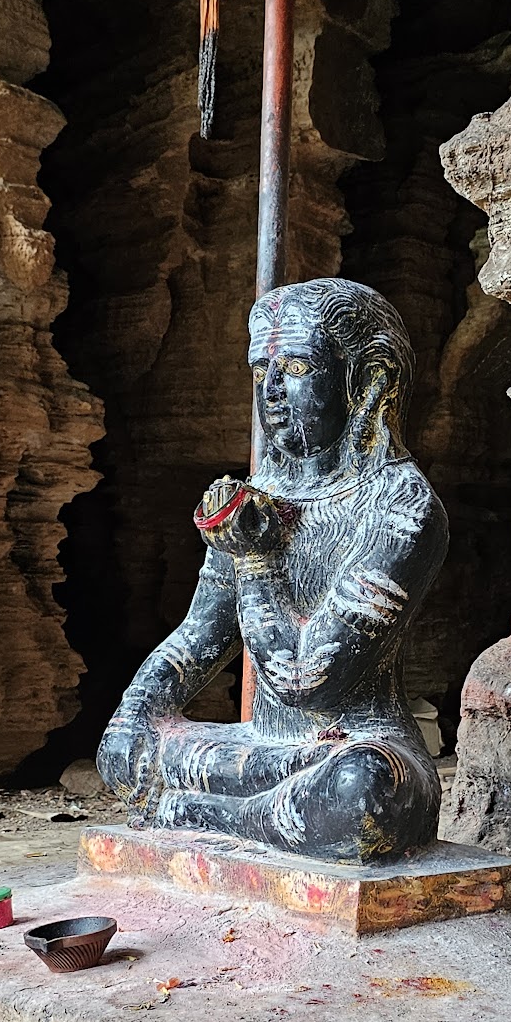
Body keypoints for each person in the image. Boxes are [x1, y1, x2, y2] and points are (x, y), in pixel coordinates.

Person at [96, 279, 448, 865]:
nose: (274, 392)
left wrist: (256, 560)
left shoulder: (402, 507)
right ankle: (250, 811)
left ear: (367, 382)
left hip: (351, 747)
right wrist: (135, 713)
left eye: (298, 366)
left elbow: (310, 679)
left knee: (365, 795)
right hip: (263, 753)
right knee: (125, 753)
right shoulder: (256, 500)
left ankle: (202, 813)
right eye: (262, 373)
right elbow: (199, 640)